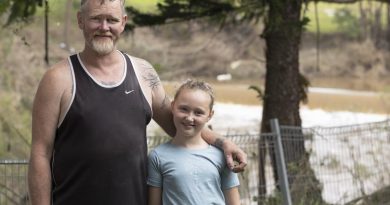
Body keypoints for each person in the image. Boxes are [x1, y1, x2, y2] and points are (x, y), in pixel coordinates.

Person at [27, 0, 247, 205]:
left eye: (112, 20)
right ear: (80, 20)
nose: (104, 27)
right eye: (96, 18)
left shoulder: (143, 72)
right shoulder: (58, 79)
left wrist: (223, 143)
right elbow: (40, 154)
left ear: (123, 23)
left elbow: (178, 123)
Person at [148, 80, 241, 205]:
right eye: (184, 109)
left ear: (209, 115)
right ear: (173, 106)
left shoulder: (222, 155)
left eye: (198, 112)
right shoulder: (157, 156)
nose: (189, 117)